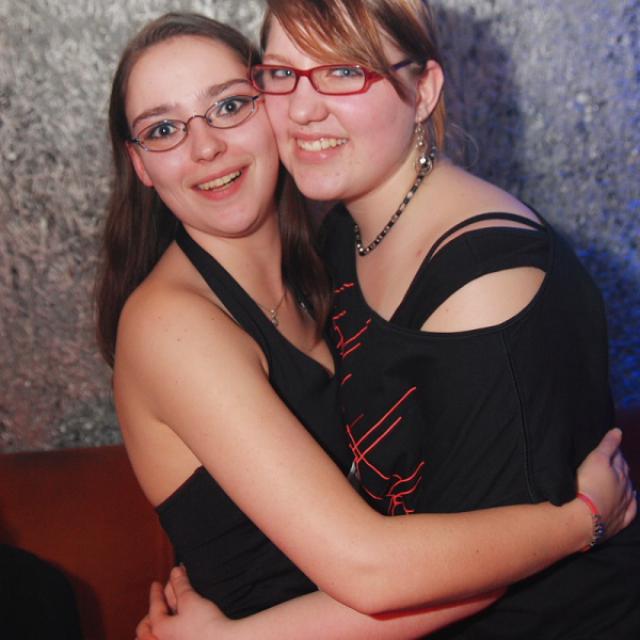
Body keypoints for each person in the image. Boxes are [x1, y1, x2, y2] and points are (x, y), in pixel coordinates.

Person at [96, 11, 635, 640]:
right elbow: (373, 568)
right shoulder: (169, 326)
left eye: (230, 106)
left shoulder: (329, 256)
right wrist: (582, 519)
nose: (205, 147)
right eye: (162, 129)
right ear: (140, 164)